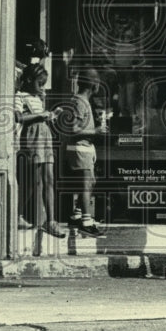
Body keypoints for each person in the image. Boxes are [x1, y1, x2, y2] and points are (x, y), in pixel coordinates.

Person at [15, 63, 65, 238]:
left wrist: (50, 115)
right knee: (33, 181)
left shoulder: (38, 97)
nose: (42, 88)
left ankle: (51, 221)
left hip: (45, 136)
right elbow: (18, 116)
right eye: (40, 84)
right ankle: (18, 215)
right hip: (32, 137)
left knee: (49, 179)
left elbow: (42, 116)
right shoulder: (20, 96)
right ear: (29, 80)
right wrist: (40, 115)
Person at [56, 67, 106, 238]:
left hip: (85, 148)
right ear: (94, 84)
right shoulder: (79, 102)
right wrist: (96, 132)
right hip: (79, 149)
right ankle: (86, 221)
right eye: (98, 81)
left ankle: (77, 214)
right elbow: (72, 130)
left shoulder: (82, 102)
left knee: (91, 181)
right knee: (85, 184)